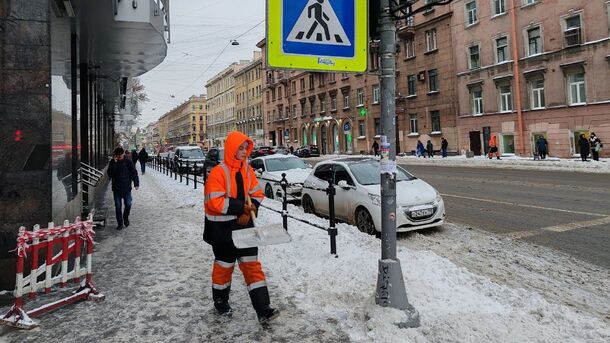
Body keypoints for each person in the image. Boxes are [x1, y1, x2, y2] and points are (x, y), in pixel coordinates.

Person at [203, 131, 279, 324]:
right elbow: (215, 201)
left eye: (246, 148)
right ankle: (220, 301)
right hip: (223, 231)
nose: (245, 152)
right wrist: (241, 210)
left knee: (252, 266)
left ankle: (264, 310)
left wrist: (252, 207)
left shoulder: (247, 171)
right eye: (241, 148)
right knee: (224, 267)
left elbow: (257, 193)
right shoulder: (218, 173)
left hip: (245, 228)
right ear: (232, 149)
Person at [107, 147, 139, 230]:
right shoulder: (113, 162)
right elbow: (110, 174)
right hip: (116, 188)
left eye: (121, 154)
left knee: (128, 204)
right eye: (118, 155)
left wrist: (136, 183)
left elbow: (134, 173)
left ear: (123, 154)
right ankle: (120, 223)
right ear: (116, 155)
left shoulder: (128, 162)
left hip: (126, 188)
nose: (120, 156)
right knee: (118, 206)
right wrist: (114, 163)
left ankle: (125, 217)